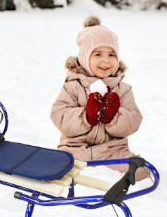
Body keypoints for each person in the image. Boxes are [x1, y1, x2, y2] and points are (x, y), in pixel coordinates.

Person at [51, 15, 148, 181]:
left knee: (141, 171)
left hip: (112, 150)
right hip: (76, 148)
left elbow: (134, 120)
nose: (106, 60)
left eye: (111, 55)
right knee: (55, 168)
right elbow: (59, 115)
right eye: (97, 54)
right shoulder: (72, 86)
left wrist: (113, 116)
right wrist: (86, 116)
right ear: (84, 57)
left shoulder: (122, 89)